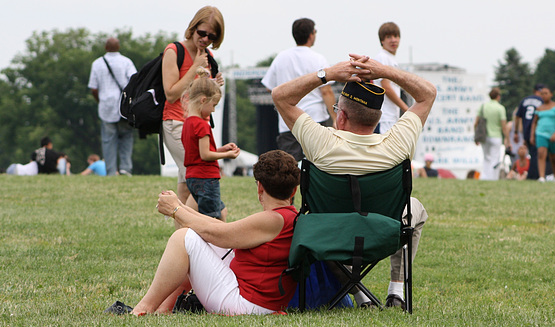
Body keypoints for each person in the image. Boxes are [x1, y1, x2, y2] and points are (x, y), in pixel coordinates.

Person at [271, 53, 436, 310]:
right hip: (384, 231)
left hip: (330, 234)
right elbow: (428, 93)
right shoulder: (398, 143)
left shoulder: (321, 143)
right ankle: (396, 289)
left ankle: (360, 294)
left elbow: (280, 95)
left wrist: (328, 74)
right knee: (415, 207)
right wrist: (384, 71)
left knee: (319, 216)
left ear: (342, 117)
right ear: (377, 118)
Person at [130, 150, 300, 316]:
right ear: (294, 191)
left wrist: (175, 210)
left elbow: (222, 234)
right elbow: (216, 228)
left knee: (182, 238)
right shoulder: (288, 216)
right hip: (257, 301)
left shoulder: (273, 219)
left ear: (259, 187)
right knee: (198, 238)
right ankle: (164, 308)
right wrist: (180, 207)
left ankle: (143, 309)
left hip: (247, 305)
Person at [162, 6, 226, 209]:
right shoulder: (174, 51)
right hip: (177, 124)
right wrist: (194, 67)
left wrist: (214, 84)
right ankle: (194, 228)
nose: (205, 39)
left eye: (212, 36)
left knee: (186, 182)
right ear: (193, 27)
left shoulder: (208, 57)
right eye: (202, 33)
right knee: (196, 177)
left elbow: (199, 94)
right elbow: (171, 94)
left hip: (199, 125)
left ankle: (181, 234)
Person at [261, 18, 336, 161]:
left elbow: (269, 88)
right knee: (319, 163)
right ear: (311, 35)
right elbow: (326, 91)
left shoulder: (281, 57)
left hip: (288, 122)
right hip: (315, 119)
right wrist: (335, 117)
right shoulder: (318, 59)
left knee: (290, 167)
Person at [182, 67, 240, 221]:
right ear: (203, 100)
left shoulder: (187, 123)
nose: (213, 110)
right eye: (213, 105)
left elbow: (198, 151)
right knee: (212, 219)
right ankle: (215, 245)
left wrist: (222, 149)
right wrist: (227, 155)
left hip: (192, 178)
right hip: (206, 178)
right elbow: (205, 155)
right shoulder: (202, 124)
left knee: (222, 212)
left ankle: (222, 244)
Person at [88, 37, 137, 176]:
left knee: (108, 141)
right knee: (126, 137)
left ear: (105, 48)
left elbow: (93, 88)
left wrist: (100, 101)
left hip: (106, 107)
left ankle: (110, 171)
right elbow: (134, 81)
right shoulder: (126, 62)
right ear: (119, 47)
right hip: (123, 106)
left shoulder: (97, 64)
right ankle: (125, 168)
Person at [373, 22, 408, 134]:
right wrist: (406, 109)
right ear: (382, 41)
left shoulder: (392, 60)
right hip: (384, 117)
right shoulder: (382, 57)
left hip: (391, 116)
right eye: (389, 37)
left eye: (396, 36)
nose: (393, 40)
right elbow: (386, 87)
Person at [474, 87, 510, 181]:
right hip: (496, 136)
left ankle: (485, 177)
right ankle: (493, 178)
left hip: (484, 136)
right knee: (495, 159)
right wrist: (507, 139)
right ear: (498, 96)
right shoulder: (500, 108)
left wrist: (476, 137)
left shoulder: (483, 106)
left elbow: (476, 123)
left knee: (486, 158)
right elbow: (504, 126)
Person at [530, 87, 555, 182]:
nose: (544, 95)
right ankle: (541, 177)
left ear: (551, 94)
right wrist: (532, 135)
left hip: (554, 134)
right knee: (541, 154)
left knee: (554, 156)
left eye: (546, 93)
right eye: (542, 94)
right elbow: (534, 122)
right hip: (541, 133)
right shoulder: (539, 108)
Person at [514, 84, 544, 180]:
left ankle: (531, 174)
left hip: (526, 130)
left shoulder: (524, 100)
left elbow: (517, 117)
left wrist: (516, 132)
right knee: (536, 153)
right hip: (537, 130)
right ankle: (534, 175)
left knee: (531, 152)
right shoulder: (541, 101)